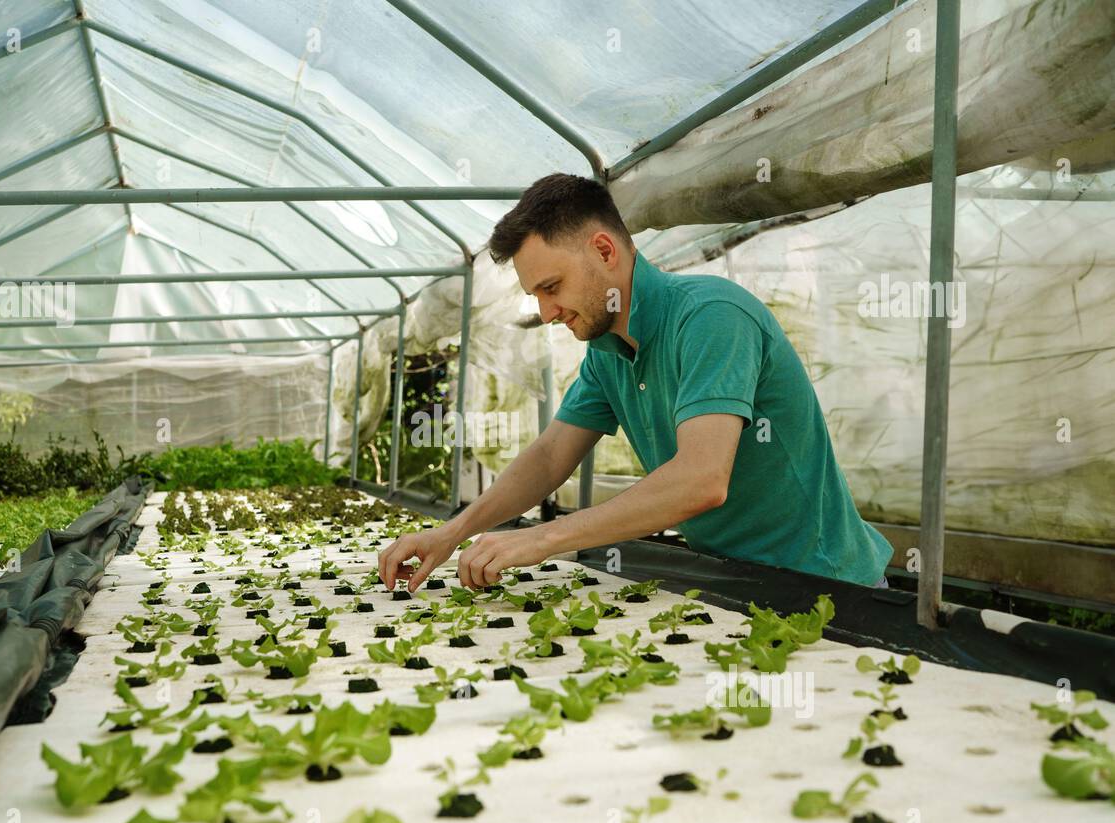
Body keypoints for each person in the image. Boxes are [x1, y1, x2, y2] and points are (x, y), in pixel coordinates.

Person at [378, 173, 892, 592]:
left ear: (605, 251)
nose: (547, 312)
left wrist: (542, 538)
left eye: (552, 288)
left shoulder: (711, 316)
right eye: (536, 295)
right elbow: (551, 455)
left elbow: (701, 481)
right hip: (735, 578)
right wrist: (454, 532)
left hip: (826, 585)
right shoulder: (607, 352)